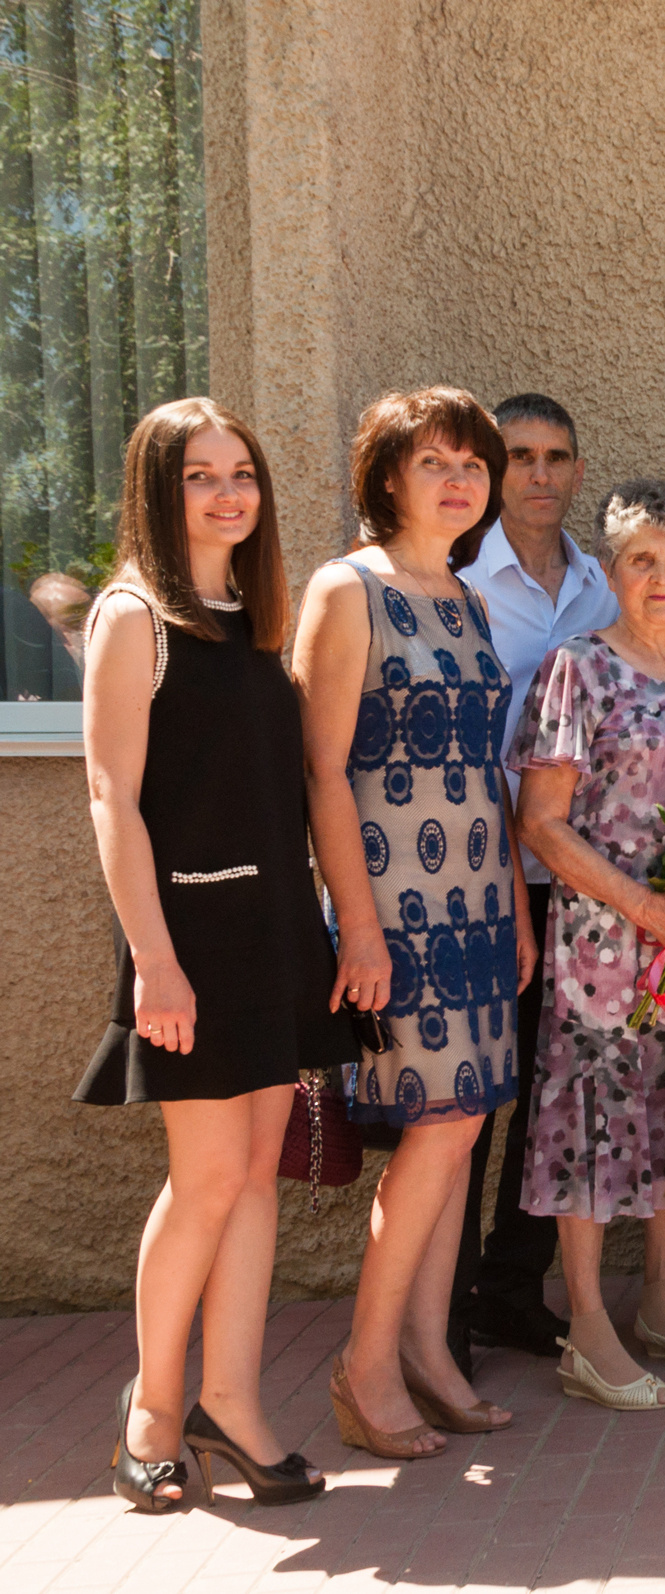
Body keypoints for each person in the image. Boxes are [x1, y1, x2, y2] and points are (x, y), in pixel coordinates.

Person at [77, 399, 345, 1512]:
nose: (229, 493)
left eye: (243, 474)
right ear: (158, 486)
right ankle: (150, 1409)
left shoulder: (255, 615)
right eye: (201, 476)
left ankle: (230, 1404)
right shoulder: (132, 615)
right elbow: (111, 795)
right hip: (186, 936)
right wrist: (153, 959)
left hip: (277, 926)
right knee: (207, 1179)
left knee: (255, 1182)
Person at [294, 387, 532, 1459]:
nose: (457, 479)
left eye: (471, 464)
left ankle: (431, 1355)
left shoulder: (466, 596)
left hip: (480, 902)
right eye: (433, 460)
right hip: (396, 906)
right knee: (432, 1134)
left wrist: (518, 906)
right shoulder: (349, 588)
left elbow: (486, 771)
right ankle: (365, 1364)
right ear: (387, 474)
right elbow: (322, 770)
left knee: (464, 1127)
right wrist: (355, 925)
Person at [508, 479, 665, 1409]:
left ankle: (661, 1302)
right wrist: (643, 908)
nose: (662, 576)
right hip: (605, 938)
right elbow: (543, 822)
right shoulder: (581, 667)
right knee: (594, 1118)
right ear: (611, 572)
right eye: (642, 559)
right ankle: (587, 1327)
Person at [448, 392, 616, 1365]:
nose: (540, 473)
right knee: (470, 1101)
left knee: (561, 1093)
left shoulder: (602, 588)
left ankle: (513, 1285)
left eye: (557, 454)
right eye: (519, 455)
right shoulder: (460, 581)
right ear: (492, 468)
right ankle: (446, 1302)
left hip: (579, 877)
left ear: (578, 470)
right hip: (477, 879)